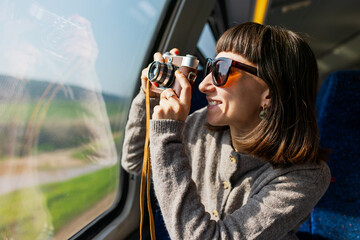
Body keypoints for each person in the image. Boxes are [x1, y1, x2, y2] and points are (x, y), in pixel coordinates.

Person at [121, 22, 330, 239]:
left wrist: (166, 132)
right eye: (211, 68)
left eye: (221, 71)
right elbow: (136, 161)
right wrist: (149, 98)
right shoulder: (200, 126)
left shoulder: (305, 176)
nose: (203, 85)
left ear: (269, 92)